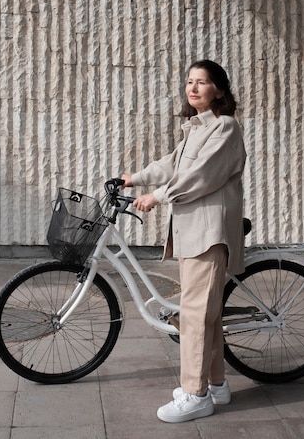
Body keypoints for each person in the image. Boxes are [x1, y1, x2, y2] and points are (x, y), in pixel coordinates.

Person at [121, 60, 246, 423]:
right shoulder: (197, 127)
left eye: (202, 82)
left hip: (209, 235)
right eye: (189, 82)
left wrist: (157, 196)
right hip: (193, 231)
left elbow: (198, 175)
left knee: (193, 317)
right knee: (206, 315)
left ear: (219, 90)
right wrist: (136, 178)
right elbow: (173, 163)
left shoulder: (225, 128)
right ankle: (217, 385)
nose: (192, 88)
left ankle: (195, 394)